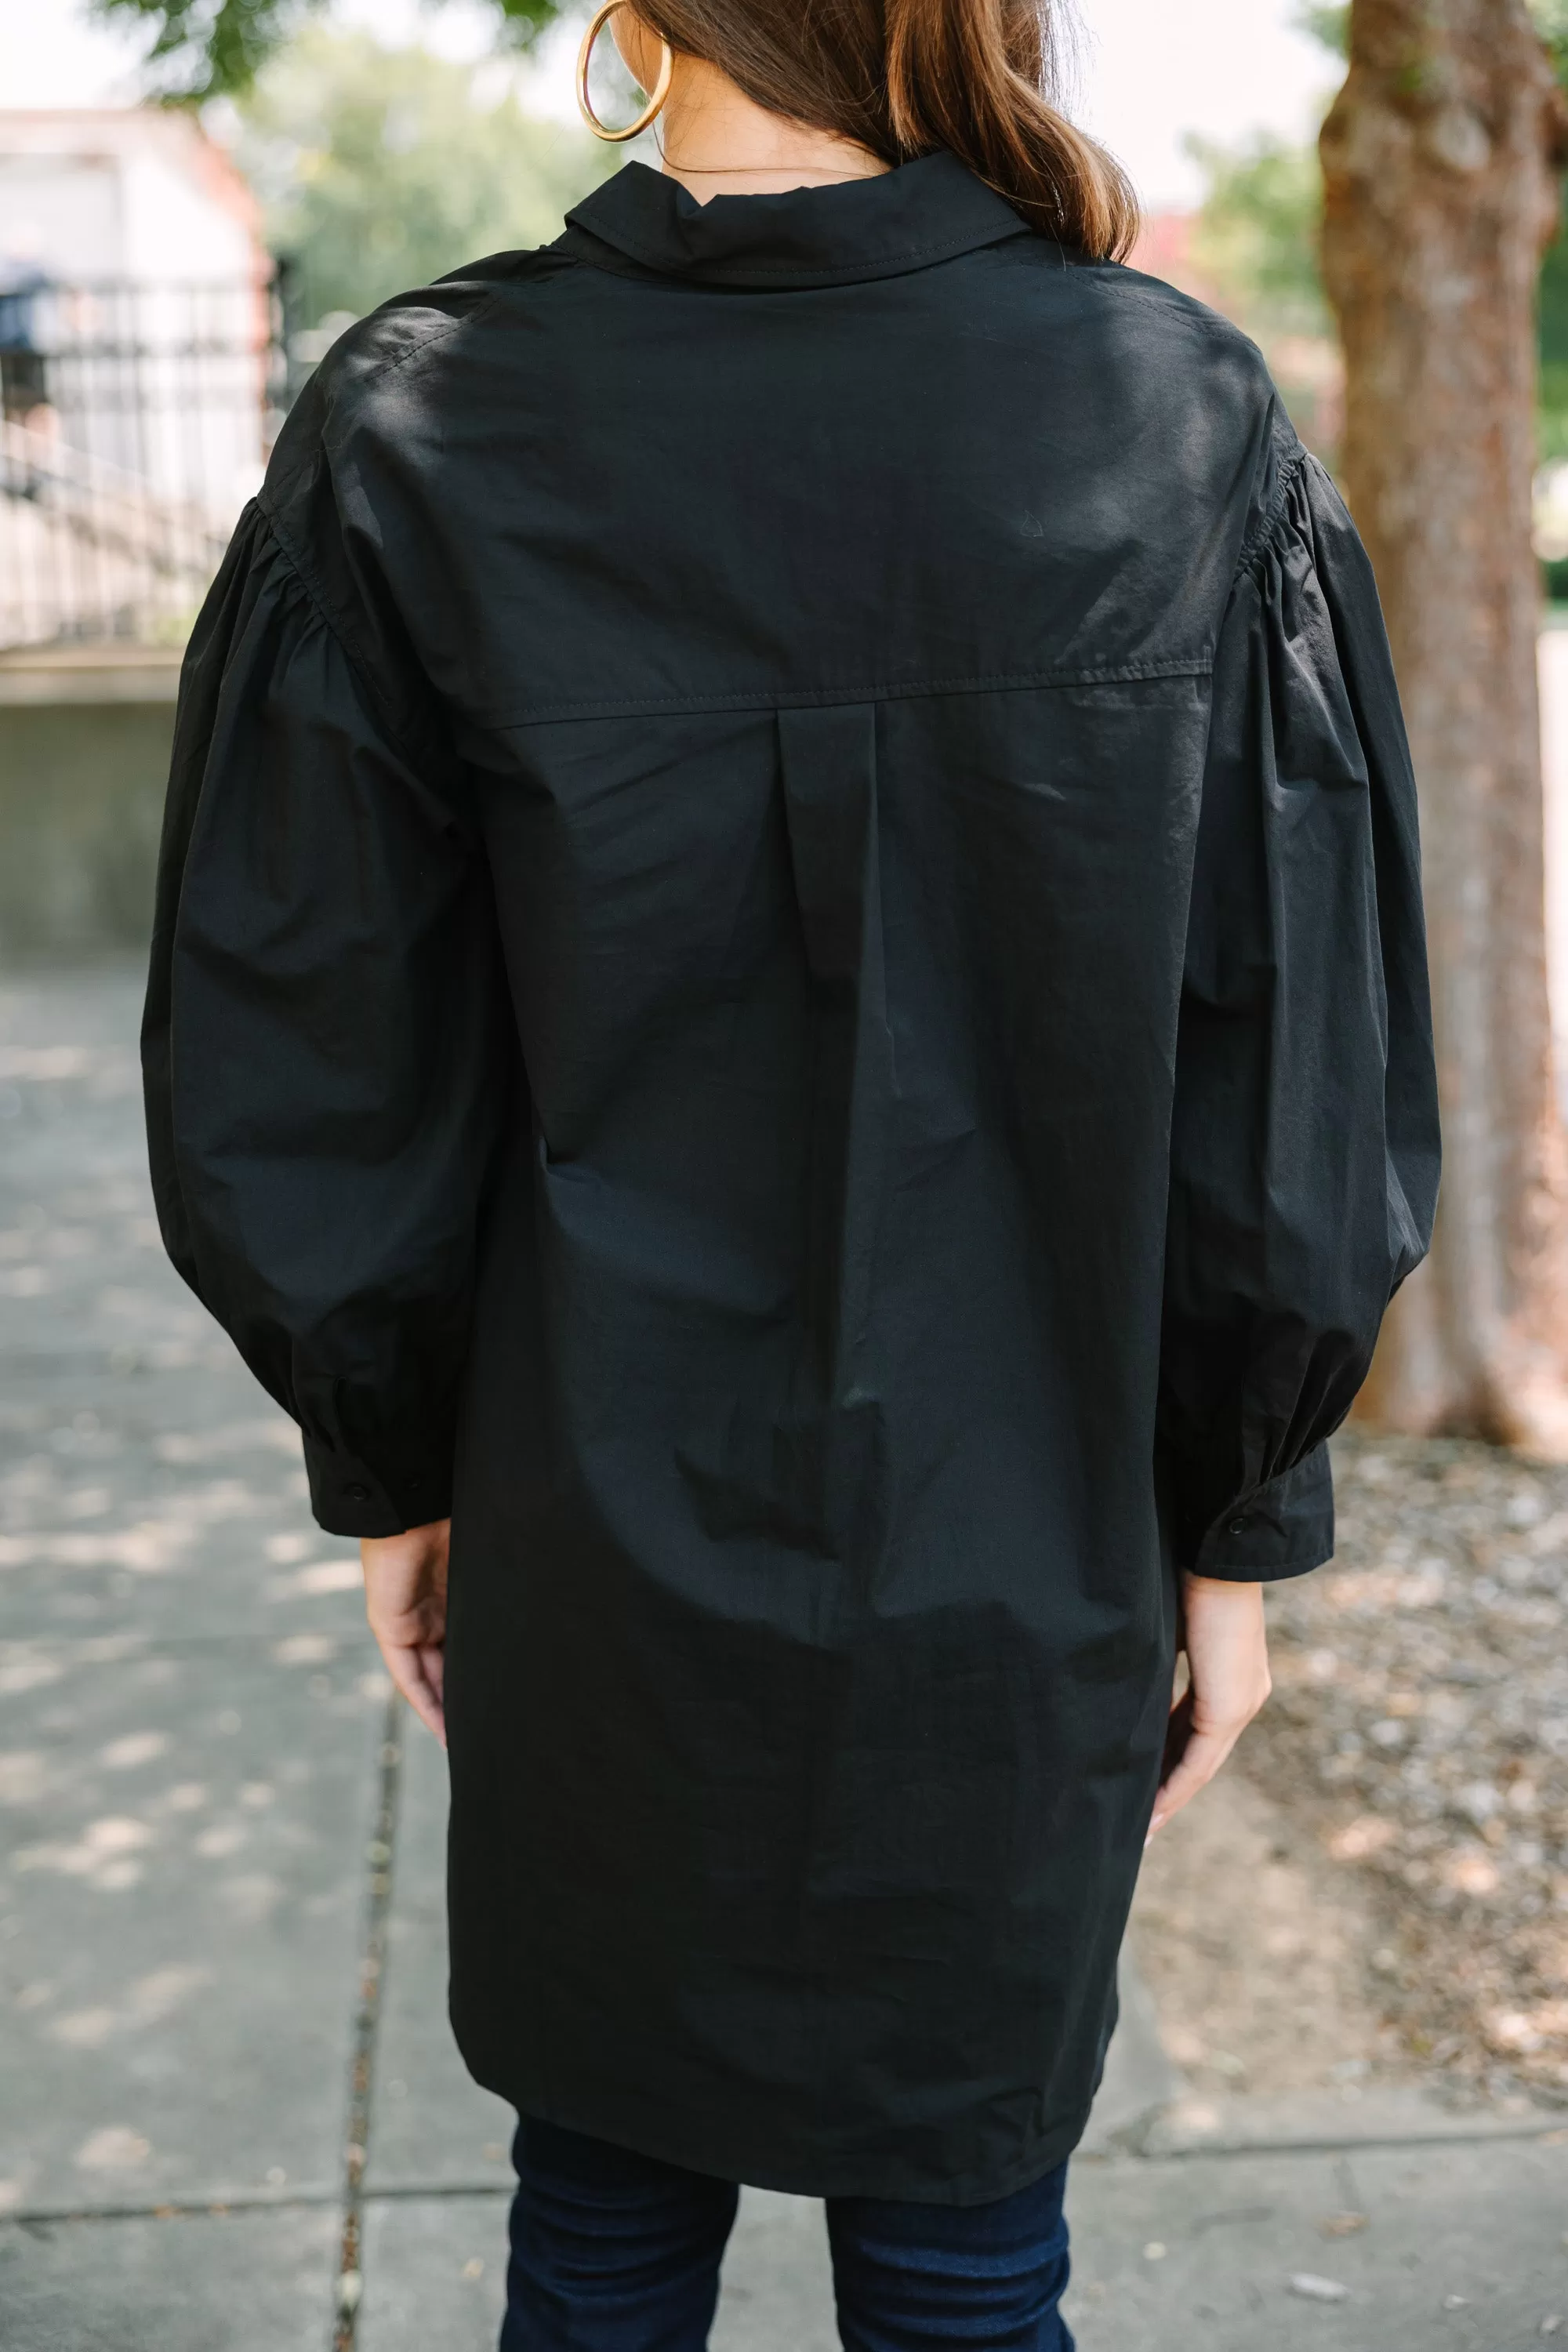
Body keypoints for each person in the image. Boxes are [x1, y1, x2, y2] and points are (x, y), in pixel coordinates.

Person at [142, 2, 1440, 2343]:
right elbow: (1293, 1065)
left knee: (605, 2224)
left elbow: (313, 1042)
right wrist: (1235, 1525)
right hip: (1022, 1540)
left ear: (637, 31)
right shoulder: (1170, 415)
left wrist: (395, 1459)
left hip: (590, 1515)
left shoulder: (433, 420)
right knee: (965, 2243)